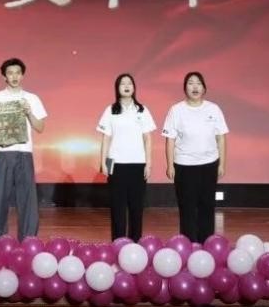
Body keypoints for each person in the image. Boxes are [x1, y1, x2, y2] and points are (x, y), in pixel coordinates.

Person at [161, 71, 229, 243]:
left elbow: (221, 137)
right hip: (184, 165)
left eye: (198, 83)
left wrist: (222, 164)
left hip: (209, 164)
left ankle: (207, 244)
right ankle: (189, 244)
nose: (195, 87)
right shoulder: (176, 110)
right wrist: (170, 165)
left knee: (207, 206)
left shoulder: (213, 109)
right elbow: (170, 139)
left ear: (204, 88)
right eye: (190, 83)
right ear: (185, 88)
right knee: (187, 207)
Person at [0, 57, 48, 240]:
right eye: (10, 73)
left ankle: (28, 239)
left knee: (27, 198)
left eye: (18, 73)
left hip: (24, 153)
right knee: (0, 198)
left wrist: (29, 112)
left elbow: (40, 127)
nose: (14, 76)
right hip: (3, 153)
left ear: (22, 75)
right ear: (4, 76)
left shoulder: (32, 98)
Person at [96, 73, 156, 241]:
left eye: (129, 83)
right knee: (117, 208)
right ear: (117, 88)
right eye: (123, 84)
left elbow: (148, 138)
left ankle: (135, 243)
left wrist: (148, 164)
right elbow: (106, 138)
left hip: (138, 164)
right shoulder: (110, 110)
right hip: (116, 164)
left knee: (136, 208)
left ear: (134, 88)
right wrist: (103, 163)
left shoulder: (142, 110)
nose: (127, 86)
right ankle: (118, 243)